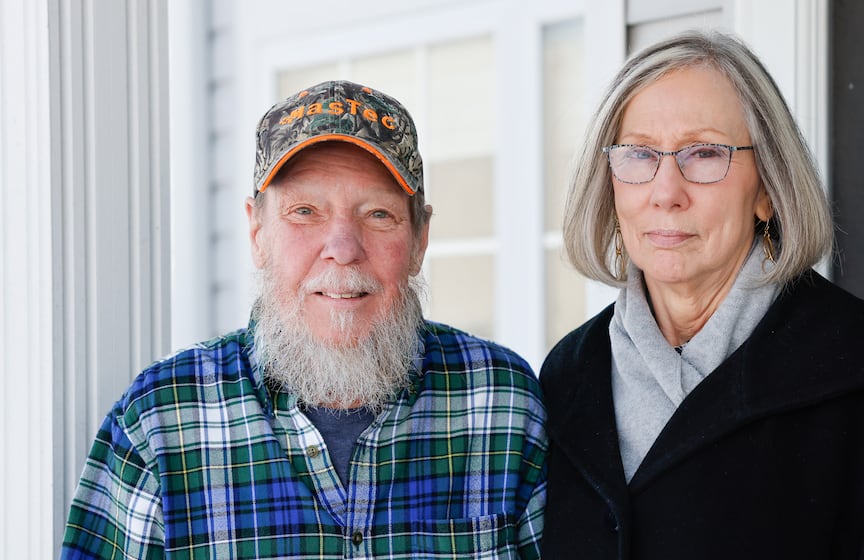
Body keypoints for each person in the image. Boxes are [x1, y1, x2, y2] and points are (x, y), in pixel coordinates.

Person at [61, 80, 547, 559]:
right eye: (305, 211)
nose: (342, 249)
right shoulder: (160, 420)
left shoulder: (502, 404)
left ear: (420, 239)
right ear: (257, 232)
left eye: (378, 214)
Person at [540, 30, 864, 559]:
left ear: (767, 189)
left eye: (705, 153)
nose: (665, 193)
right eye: (638, 154)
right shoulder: (567, 377)